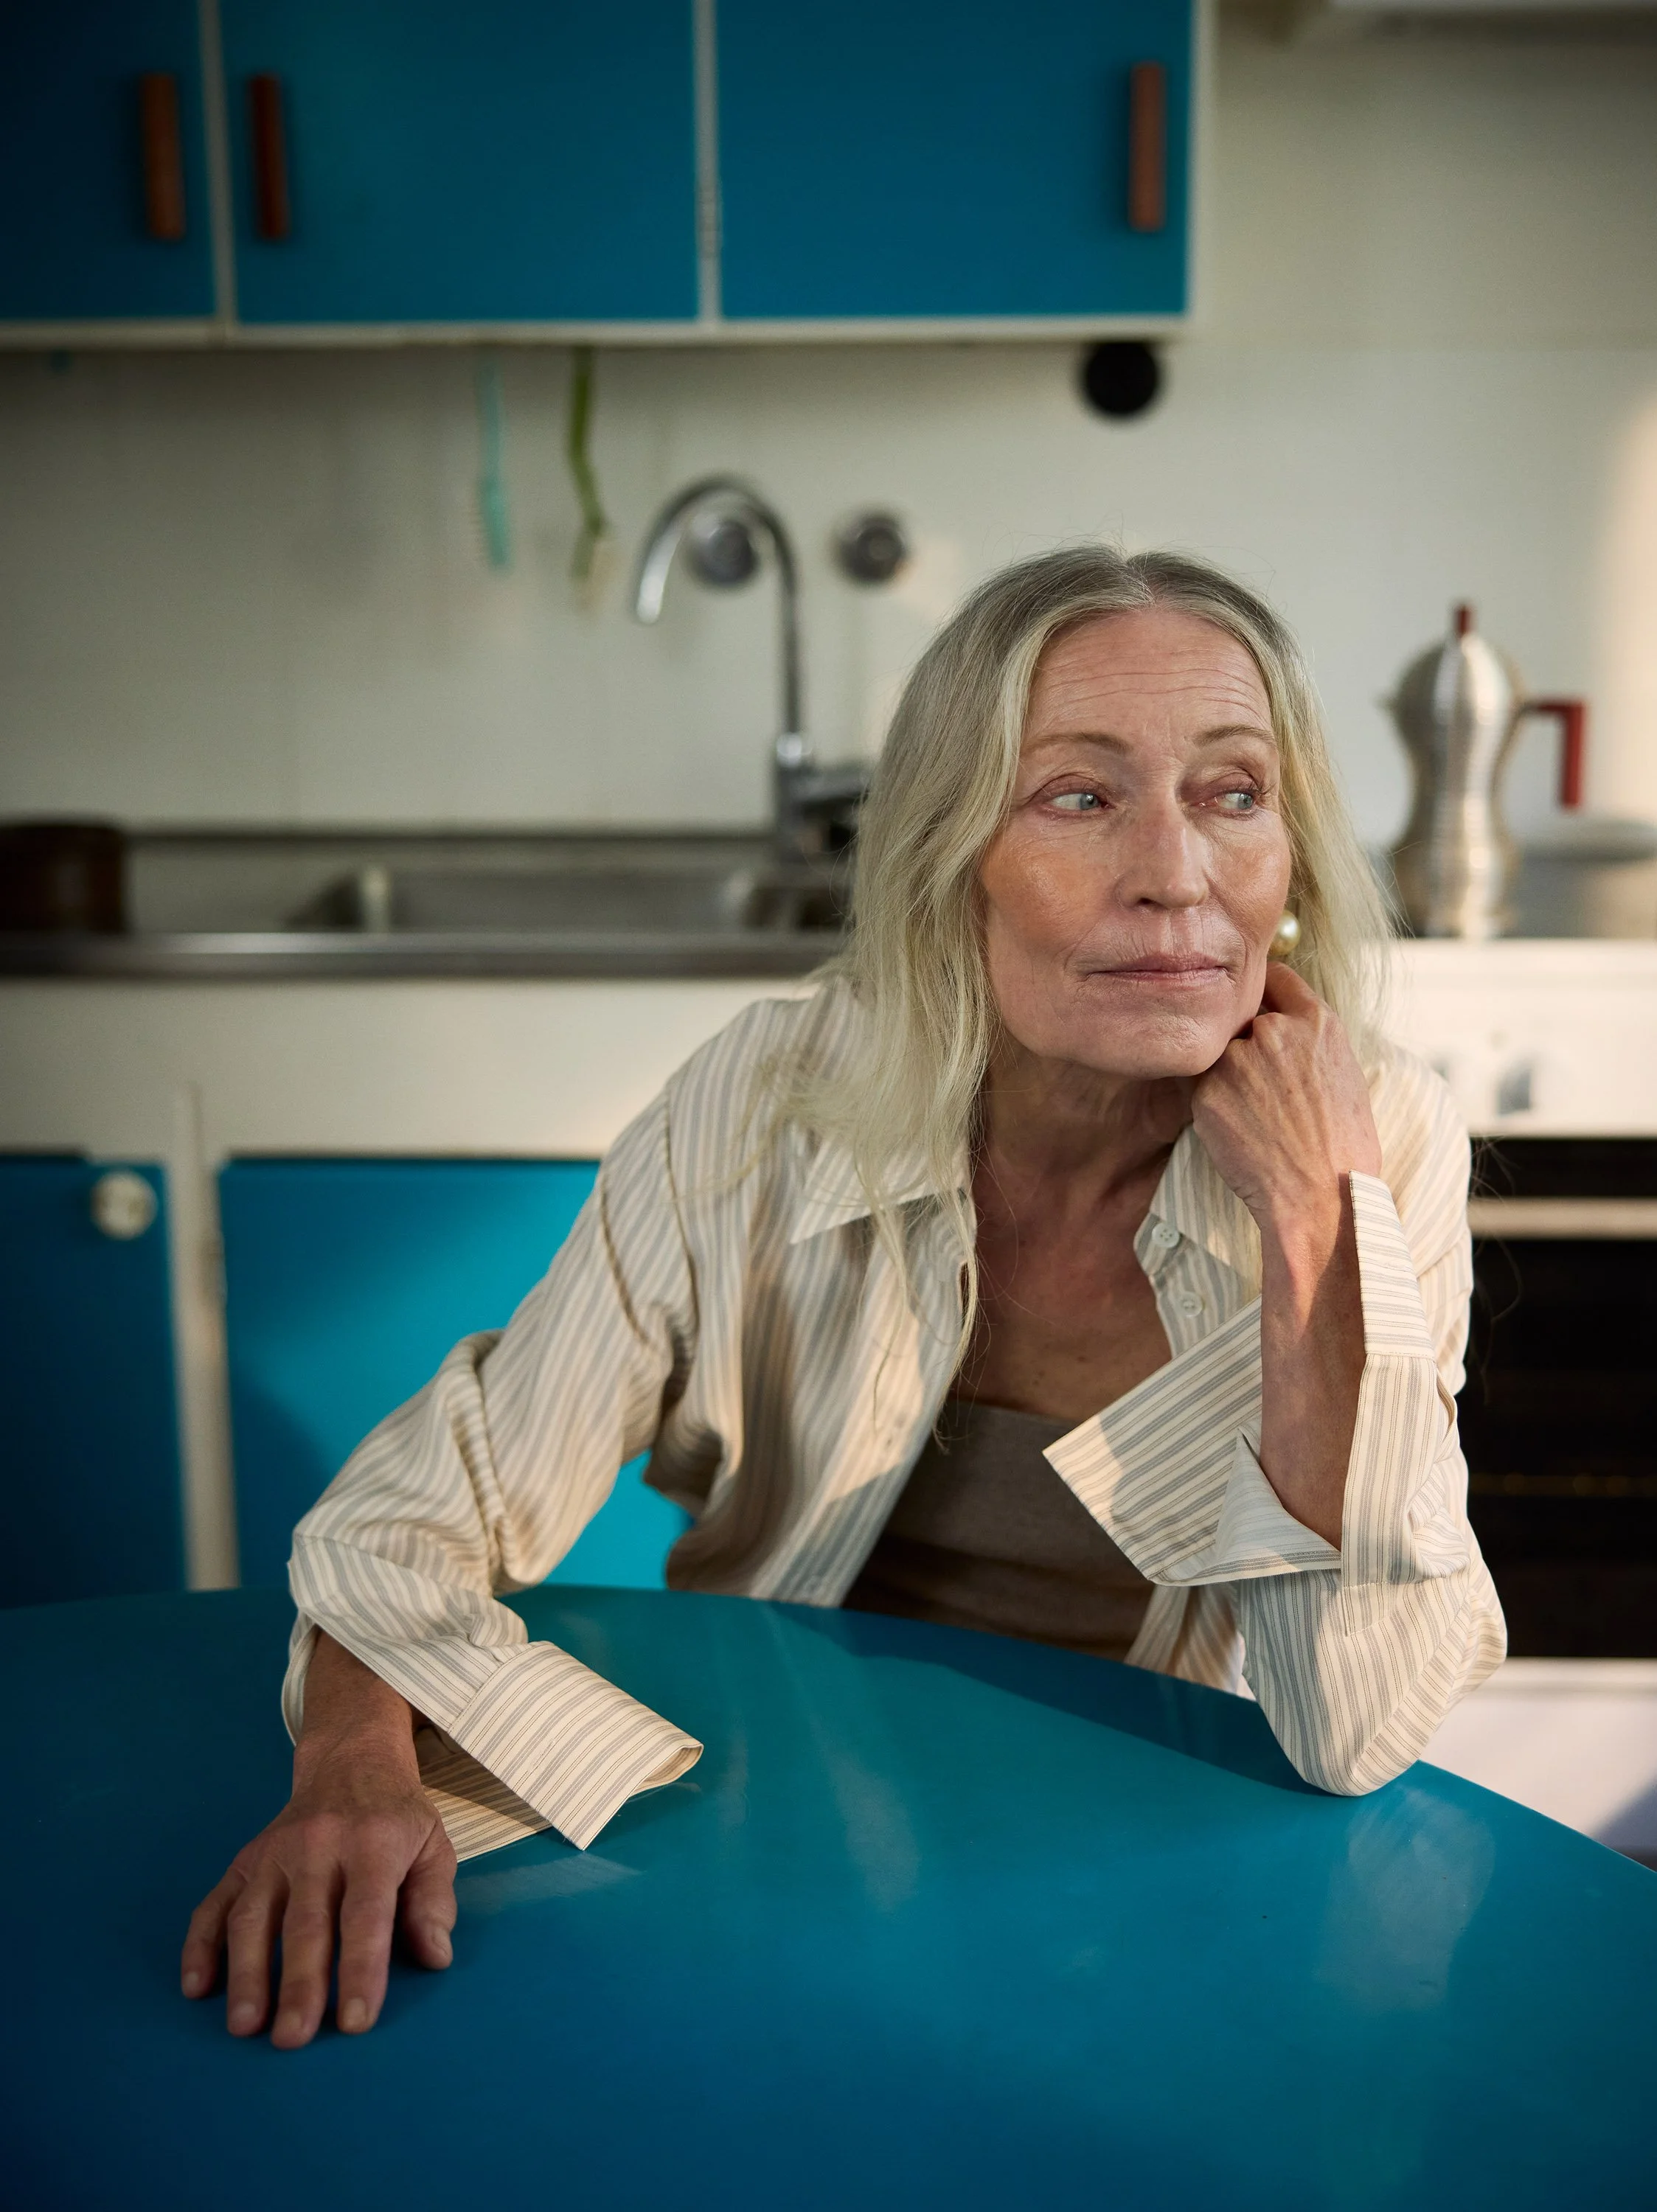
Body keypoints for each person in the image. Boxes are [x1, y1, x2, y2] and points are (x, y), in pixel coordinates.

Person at [181, 545, 1505, 2050]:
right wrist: (355, 1766)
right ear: (955, 864)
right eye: (1081, 794)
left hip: (1166, 1840)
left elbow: (1354, 1734)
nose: (1176, 873)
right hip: (768, 1812)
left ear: (1291, 857)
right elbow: (415, 1518)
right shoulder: (767, 1097)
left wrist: (1313, 1229)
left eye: (1231, 792)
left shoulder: (1371, 1141)